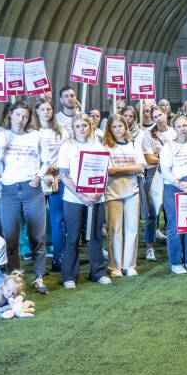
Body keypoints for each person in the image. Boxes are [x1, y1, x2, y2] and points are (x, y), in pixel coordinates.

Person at [0, 100, 50, 294]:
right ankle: (14, 277)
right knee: (10, 236)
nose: (22, 119)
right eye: (18, 114)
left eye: (25, 116)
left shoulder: (36, 136)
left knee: (37, 235)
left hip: (31, 190)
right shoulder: (2, 136)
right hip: (9, 190)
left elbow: (47, 160)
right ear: (10, 114)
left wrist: (38, 177)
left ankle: (39, 277)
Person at [56, 115, 110, 287]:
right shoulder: (67, 146)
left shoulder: (98, 146)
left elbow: (104, 172)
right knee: (72, 236)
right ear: (73, 128)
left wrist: (97, 192)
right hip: (74, 198)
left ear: (90, 126)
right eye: (77, 125)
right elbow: (64, 174)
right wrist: (81, 195)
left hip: (96, 197)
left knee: (95, 235)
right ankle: (69, 276)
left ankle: (98, 272)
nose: (81, 129)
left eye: (84, 125)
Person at [158, 113, 187, 274]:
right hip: (173, 187)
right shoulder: (168, 147)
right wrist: (181, 186)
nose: (183, 128)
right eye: (179, 126)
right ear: (174, 128)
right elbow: (165, 171)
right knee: (174, 226)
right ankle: (176, 262)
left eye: (185, 125)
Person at [104, 114, 146, 277]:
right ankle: (115, 266)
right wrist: (131, 168)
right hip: (112, 192)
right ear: (109, 129)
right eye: (114, 127)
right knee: (115, 229)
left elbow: (140, 167)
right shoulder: (106, 147)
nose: (118, 129)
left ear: (125, 127)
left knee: (132, 229)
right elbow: (109, 171)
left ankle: (129, 265)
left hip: (132, 191)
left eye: (120, 126)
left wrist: (120, 170)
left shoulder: (134, 144)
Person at [29, 98, 67, 273]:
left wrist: (57, 167)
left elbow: (66, 153)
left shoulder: (61, 132)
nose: (46, 112)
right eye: (42, 109)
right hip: (38, 180)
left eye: (49, 109)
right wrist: (42, 168)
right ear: (36, 111)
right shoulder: (31, 132)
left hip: (58, 179)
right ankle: (39, 261)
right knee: (38, 222)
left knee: (58, 220)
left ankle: (58, 258)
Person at [139, 107, 171, 260]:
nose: (159, 118)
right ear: (152, 119)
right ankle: (149, 247)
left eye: (160, 115)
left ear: (166, 114)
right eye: (155, 116)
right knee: (152, 212)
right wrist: (167, 158)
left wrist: (160, 156)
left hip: (171, 172)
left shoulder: (173, 132)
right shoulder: (148, 135)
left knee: (170, 211)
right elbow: (149, 159)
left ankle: (174, 243)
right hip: (154, 172)